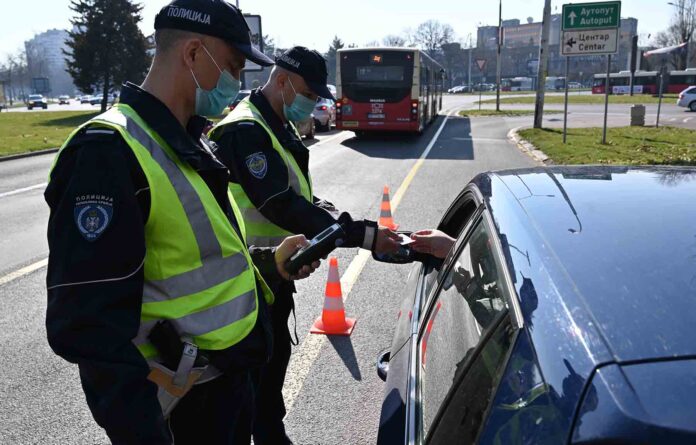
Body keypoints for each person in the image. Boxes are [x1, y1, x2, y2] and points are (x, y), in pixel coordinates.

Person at [44, 1, 319, 443]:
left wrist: (268, 264)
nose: (237, 83)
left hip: (225, 392)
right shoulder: (107, 152)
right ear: (193, 54)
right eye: (231, 66)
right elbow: (89, 327)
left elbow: (194, 260)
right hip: (184, 410)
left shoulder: (188, 139)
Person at [208, 46, 401, 444]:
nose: (312, 104)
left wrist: (331, 215)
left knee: (272, 367)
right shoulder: (246, 129)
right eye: (308, 95)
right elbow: (280, 203)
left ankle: (269, 430)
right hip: (246, 279)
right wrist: (360, 234)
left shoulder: (276, 124)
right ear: (281, 81)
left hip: (275, 275)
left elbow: (299, 195)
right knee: (251, 382)